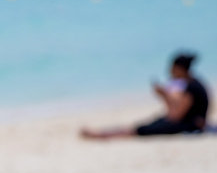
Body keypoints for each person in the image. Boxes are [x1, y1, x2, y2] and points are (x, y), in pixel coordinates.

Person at [80, 52, 210, 140]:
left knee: (138, 130)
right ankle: (99, 133)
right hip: (188, 123)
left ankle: (99, 134)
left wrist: (164, 95)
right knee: (139, 127)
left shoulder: (191, 87)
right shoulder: (193, 84)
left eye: (172, 68)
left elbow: (175, 115)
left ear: (180, 69)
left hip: (188, 125)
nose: (170, 71)